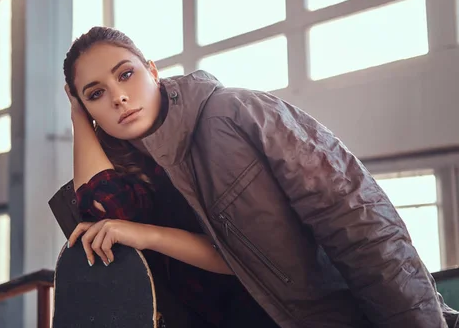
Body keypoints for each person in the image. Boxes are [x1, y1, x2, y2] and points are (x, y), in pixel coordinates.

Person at [49, 26, 458, 328]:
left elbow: (360, 223)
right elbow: (101, 208)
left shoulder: (238, 113)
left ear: (153, 71)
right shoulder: (134, 169)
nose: (118, 96)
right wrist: (76, 117)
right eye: (95, 94)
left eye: (125, 75)